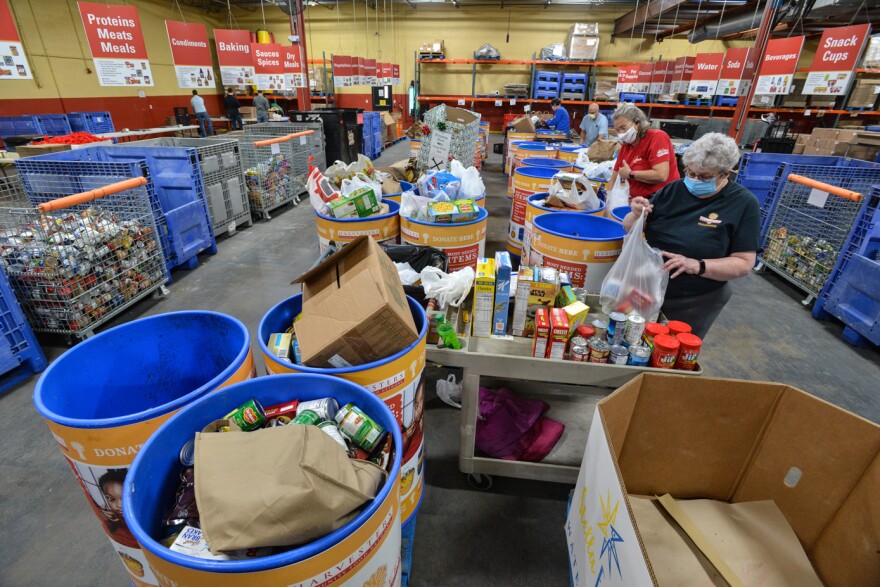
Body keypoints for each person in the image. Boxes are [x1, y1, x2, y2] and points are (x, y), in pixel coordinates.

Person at [623, 133, 761, 338]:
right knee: (631, 338)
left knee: (668, 350)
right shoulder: (674, 189)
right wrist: (636, 214)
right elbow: (628, 226)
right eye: (690, 172)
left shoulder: (743, 204)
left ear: (725, 174)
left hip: (694, 299)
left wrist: (697, 265)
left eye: (704, 177)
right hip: (646, 286)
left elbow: (744, 263)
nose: (694, 180)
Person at [608, 103, 679, 201]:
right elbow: (614, 177)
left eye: (623, 128)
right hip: (634, 200)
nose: (621, 133)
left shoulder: (657, 137)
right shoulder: (626, 146)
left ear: (637, 122)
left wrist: (630, 174)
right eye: (617, 130)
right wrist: (609, 199)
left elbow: (661, 175)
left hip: (659, 200)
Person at [94, 469, 138, 548]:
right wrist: (108, 521)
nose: (119, 505)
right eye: (111, 499)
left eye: (125, 497)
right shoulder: (113, 521)